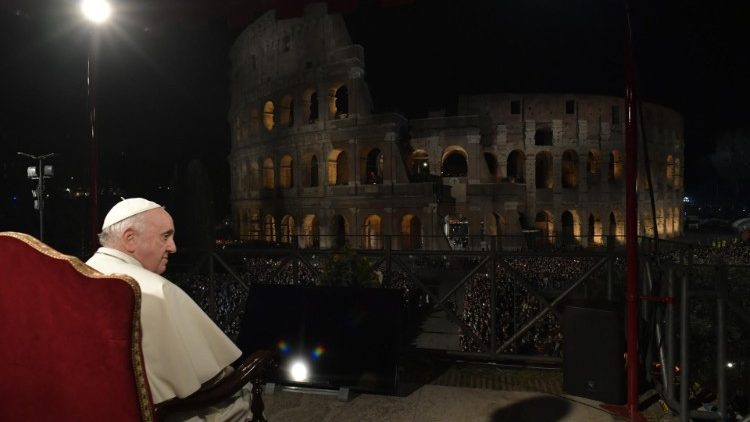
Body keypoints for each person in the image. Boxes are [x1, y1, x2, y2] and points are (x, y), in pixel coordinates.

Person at [86, 198, 249, 421]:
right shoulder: (156, 289)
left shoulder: (79, 276)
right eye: (165, 236)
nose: (173, 247)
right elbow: (216, 380)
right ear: (130, 238)